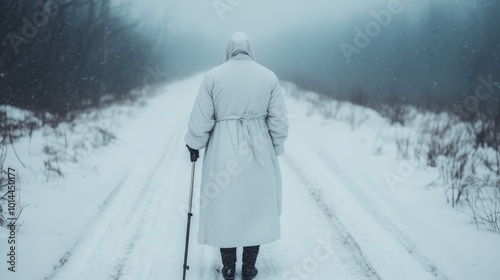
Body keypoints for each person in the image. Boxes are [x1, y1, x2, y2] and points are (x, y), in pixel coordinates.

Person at [184, 31, 288, 280]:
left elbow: (201, 118)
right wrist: (276, 146)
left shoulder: (213, 76)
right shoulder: (268, 76)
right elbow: (279, 120)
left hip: (223, 148)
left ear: (229, 50)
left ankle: (229, 265)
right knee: (256, 208)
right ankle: (249, 266)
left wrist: (194, 144)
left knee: (225, 206)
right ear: (250, 50)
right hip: (258, 147)